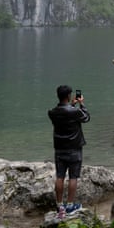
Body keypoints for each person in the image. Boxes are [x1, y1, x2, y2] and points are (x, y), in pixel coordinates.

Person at [48, 85, 90, 218]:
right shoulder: (74, 112)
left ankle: (59, 205)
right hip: (74, 148)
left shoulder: (52, 112)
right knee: (73, 177)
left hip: (59, 149)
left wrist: (71, 106)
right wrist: (81, 104)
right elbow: (86, 118)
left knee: (60, 176)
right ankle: (70, 205)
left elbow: (64, 113)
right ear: (68, 96)